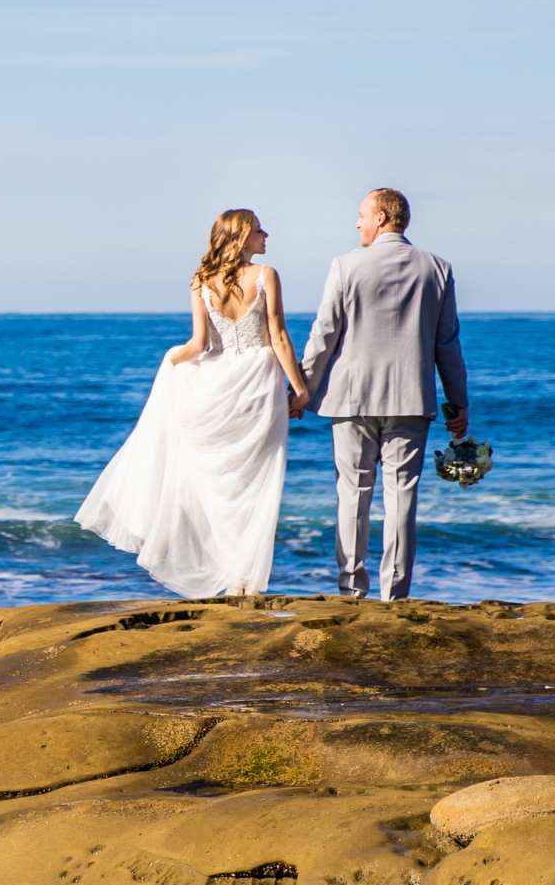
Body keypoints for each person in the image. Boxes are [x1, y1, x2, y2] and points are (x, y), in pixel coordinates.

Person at [77, 208, 311, 597]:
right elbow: (279, 338)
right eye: (258, 230)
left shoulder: (201, 281)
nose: (265, 235)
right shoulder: (266, 275)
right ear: (241, 237)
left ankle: (226, 574)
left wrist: (171, 359)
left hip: (218, 387)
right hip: (257, 383)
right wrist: (300, 389)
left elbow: (198, 345)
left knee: (217, 486)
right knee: (254, 484)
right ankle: (243, 579)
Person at [295, 188, 470, 600]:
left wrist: (303, 388)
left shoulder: (345, 266)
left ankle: (351, 587)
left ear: (383, 217)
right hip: (411, 397)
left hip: (352, 398)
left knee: (352, 494)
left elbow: (324, 334)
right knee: (402, 496)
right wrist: (458, 402)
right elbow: (448, 343)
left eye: (361, 215)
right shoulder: (437, 269)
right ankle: (396, 591)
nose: (357, 223)